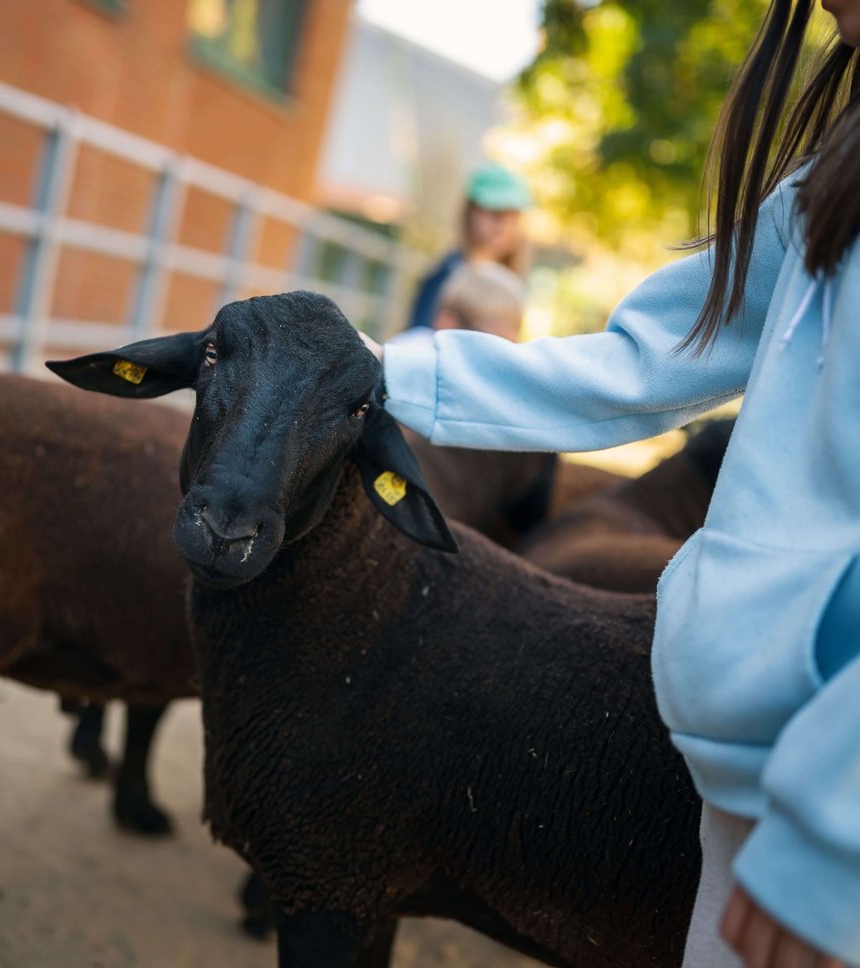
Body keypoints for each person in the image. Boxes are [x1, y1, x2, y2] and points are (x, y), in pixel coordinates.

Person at [361, 0, 860, 964]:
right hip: (763, 783)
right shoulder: (829, 177)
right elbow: (646, 360)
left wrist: (832, 825)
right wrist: (387, 369)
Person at [407, 161, 531, 331]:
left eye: (513, 217)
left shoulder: (511, 283)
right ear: (471, 212)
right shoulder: (446, 275)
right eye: (495, 214)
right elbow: (419, 337)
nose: (504, 226)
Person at [390, 260, 527, 350]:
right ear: (447, 323)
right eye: (490, 345)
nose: (499, 358)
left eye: (510, 348)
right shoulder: (411, 352)